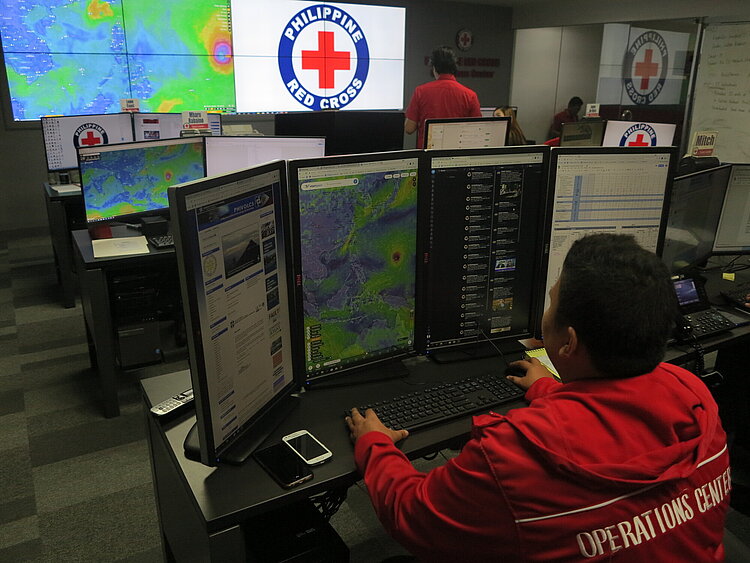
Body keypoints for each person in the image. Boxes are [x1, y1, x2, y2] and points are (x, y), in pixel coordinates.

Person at [346, 233, 730, 561]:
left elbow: (413, 515)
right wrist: (552, 391)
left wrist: (374, 445)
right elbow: (617, 421)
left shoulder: (515, 455)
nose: (546, 312)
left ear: (569, 342)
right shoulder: (692, 393)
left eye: (552, 302)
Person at [404, 46, 481, 148]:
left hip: (427, 155)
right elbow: (477, 130)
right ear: (454, 68)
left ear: (434, 68)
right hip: (457, 156)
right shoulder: (470, 95)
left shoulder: (421, 91)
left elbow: (409, 128)